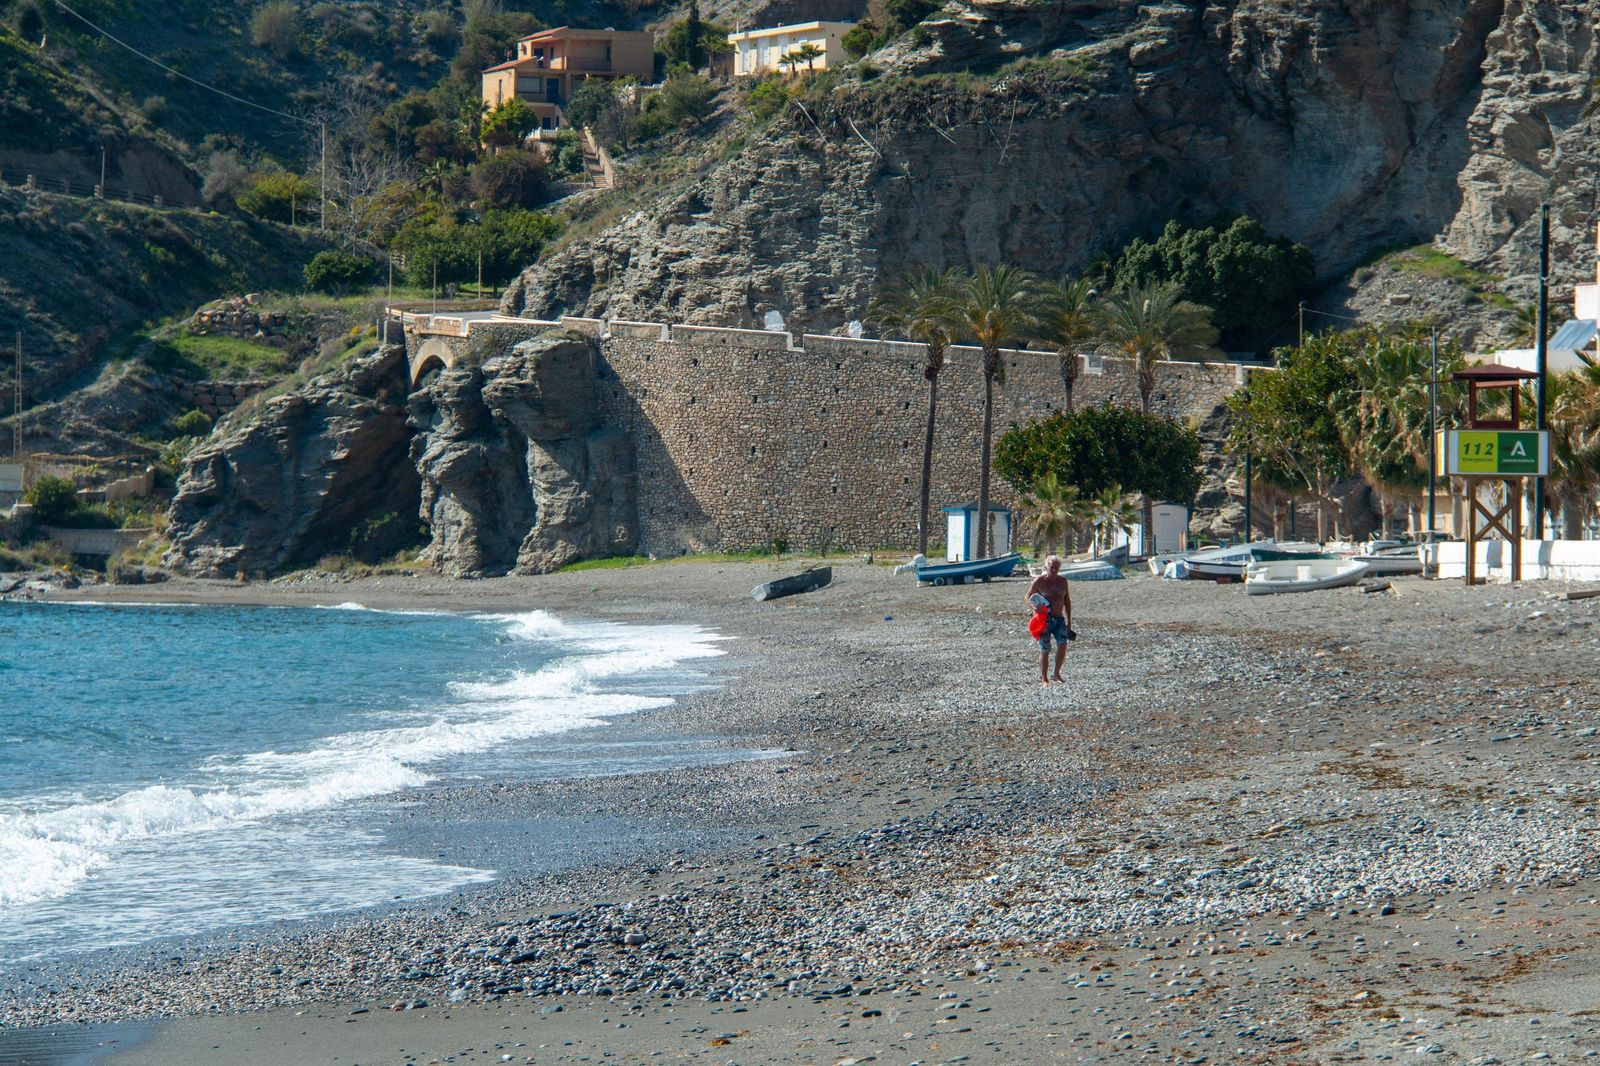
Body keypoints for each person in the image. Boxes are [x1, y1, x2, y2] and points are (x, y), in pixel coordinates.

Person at [1025, 555, 1073, 685]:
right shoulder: (1039, 581)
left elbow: (1067, 602)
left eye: (1057, 568)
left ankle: (1056, 674)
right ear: (1047, 567)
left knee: (1062, 645)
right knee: (1045, 649)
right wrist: (1035, 607)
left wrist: (1069, 621)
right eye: (1052, 568)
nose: (1054, 571)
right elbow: (1027, 597)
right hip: (1044, 620)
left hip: (1059, 620)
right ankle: (1044, 678)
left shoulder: (1063, 581)